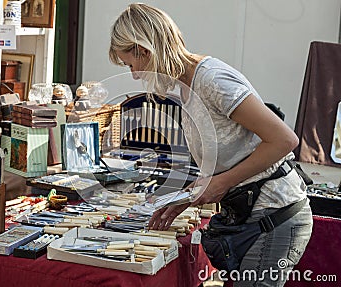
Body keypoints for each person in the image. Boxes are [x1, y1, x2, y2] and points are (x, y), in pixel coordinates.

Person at [109, 3, 313, 286]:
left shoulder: (212, 80)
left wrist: (222, 182)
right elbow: (226, 154)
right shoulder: (184, 84)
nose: (133, 75)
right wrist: (183, 199)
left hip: (274, 215)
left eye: (131, 65)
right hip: (250, 214)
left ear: (144, 50)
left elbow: (284, 140)